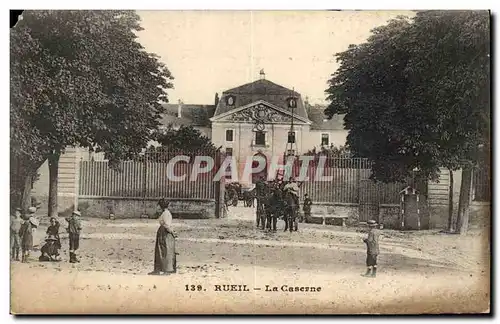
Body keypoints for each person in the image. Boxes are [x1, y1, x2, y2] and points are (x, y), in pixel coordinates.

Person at [149, 199, 177, 276]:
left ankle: (167, 270)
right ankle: (157, 269)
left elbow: (167, 225)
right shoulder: (164, 213)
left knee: (165, 251)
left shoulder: (166, 214)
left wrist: (172, 232)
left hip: (165, 233)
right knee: (160, 251)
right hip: (162, 232)